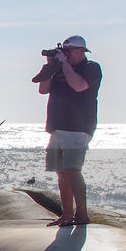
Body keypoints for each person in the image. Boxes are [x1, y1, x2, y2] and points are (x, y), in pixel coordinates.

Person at [35, 35, 103, 227]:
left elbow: (79, 86)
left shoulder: (91, 68)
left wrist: (64, 64)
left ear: (82, 51)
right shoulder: (58, 69)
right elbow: (43, 89)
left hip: (78, 128)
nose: (66, 54)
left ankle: (82, 215)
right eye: (64, 51)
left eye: (69, 51)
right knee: (61, 173)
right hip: (56, 127)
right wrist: (50, 66)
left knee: (72, 170)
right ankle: (66, 214)